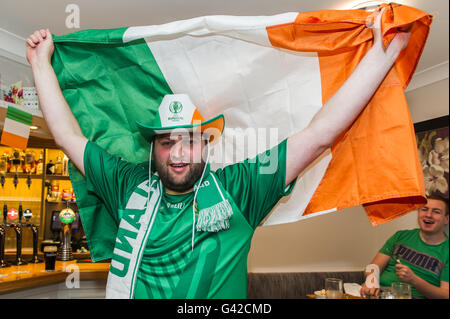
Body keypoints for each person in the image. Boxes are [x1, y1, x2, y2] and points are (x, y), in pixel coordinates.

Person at [25, 9, 410, 298]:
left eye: (190, 140)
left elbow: (320, 133)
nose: (178, 152)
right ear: (153, 148)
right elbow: (66, 133)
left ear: (206, 145)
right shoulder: (127, 183)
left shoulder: (241, 187)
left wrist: (381, 55)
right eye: (166, 140)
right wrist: (40, 62)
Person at [360, 194, 449, 299]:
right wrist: (372, 280)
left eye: (436, 212)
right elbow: (374, 266)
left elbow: (446, 294)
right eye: (424, 209)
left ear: (446, 219)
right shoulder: (400, 236)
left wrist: (414, 280)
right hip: (376, 294)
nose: (428, 215)